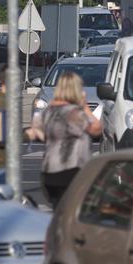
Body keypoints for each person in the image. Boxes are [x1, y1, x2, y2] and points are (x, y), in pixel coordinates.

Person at [39, 72, 102, 206]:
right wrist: (85, 106)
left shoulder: (48, 111)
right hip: (71, 170)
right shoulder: (74, 113)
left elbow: (42, 133)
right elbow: (96, 129)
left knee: (58, 211)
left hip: (49, 170)